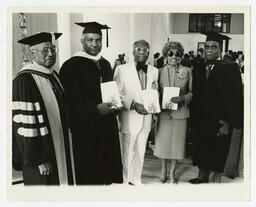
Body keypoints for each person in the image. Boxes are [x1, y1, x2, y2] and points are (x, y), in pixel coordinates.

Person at [59, 22, 123, 185]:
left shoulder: (106, 64)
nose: (95, 44)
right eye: (90, 40)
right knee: (89, 170)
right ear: (82, 41)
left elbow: (110, 90)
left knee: (106, 168)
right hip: (86, 128)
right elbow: (70, 98)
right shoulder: (71, 65)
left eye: (98, 40)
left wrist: (116, 103)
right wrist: (94, 108)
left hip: (107, 125)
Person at [12, 32, 75, 185]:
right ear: (32, 54)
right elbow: (24, 125)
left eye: (53, 50)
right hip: (40, 157)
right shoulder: (24, 81)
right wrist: (39, 159)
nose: (50, 54)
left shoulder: (54, 76)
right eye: (45, 50)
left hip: (60, 146)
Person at [189, 32, 243, 184]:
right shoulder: (199, 67)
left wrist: (227, 123)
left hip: (220, 119)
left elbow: (235, 98)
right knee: (202, 147)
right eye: (207, 47)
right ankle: (202, 176)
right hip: (202, 119)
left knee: (218, 150)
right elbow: (196, 94)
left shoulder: (230, 67)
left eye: (213, 47)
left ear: (220, 49)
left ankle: (215, 180)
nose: (209, 50)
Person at [114, 40, 158, 185]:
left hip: (146, 118)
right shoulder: (121, 69)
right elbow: (117, 94)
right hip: (129, 117)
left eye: (145, 50)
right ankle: (125, 181)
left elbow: (154, 91)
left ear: (148, 53)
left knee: (140, 151)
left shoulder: (153, 71)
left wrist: (154, 105)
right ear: (133, 52)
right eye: (138, 49)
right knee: (127, 152)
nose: (141, 52)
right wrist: (133, 104)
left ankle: (136, 179)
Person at [153, 41, 193, 183]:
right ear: (166, 55)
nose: (174, 57)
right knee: (163, 143)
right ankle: (163, 170)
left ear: (181, 56)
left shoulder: (188, 71)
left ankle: (172, 172)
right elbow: (155, 92)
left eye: (178, 54)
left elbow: (192, 93)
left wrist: (182, 98)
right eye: (171, 54)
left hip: (180, 114)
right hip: (164, 114)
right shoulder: (158, 72)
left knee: (177, 144)